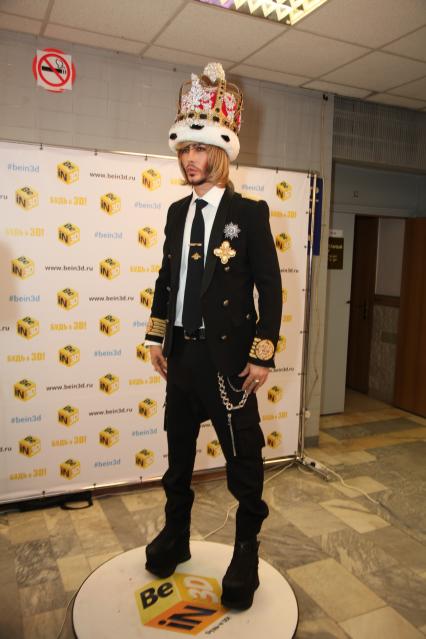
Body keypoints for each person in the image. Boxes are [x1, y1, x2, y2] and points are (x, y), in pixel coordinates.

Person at [144, 62, 282, 610]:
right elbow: (166, 278)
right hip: (181, 356)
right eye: (184, 150)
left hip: (228, 363)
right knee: (178, 458)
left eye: (199, 149)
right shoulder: (177, 213)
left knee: (243, 464)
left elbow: (270, 289)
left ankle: (245, 553)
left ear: (220, 154)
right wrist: (156, 337)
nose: (189, 159)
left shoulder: (249, 213)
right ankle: (176, 534)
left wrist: (263, 353)